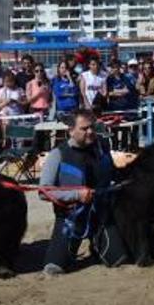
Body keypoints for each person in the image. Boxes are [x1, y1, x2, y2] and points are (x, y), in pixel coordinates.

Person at [39, 111, 114, 276]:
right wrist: (76, 195)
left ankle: (96, 245)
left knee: (117, 259)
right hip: (70, 219)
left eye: (92, 127)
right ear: (71, 130)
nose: (90, 132)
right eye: (84, 128)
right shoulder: (57, 155)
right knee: (54, 268)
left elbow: (114, 175)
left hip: (100, 215)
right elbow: (44, 192)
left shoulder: (102, 148)